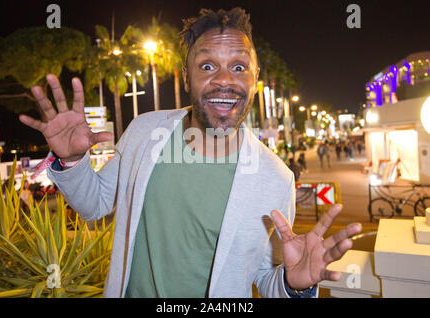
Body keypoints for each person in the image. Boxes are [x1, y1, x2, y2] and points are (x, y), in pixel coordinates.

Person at [18, 7, 361, 298]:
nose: (224, 79)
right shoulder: (144, 131)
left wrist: (291, 282)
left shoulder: (275, 178)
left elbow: (260, 274)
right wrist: (73, 160)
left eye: (239, 67)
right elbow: (94, 205)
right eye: (207, 66)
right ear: (186, 77)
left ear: (254, 79)